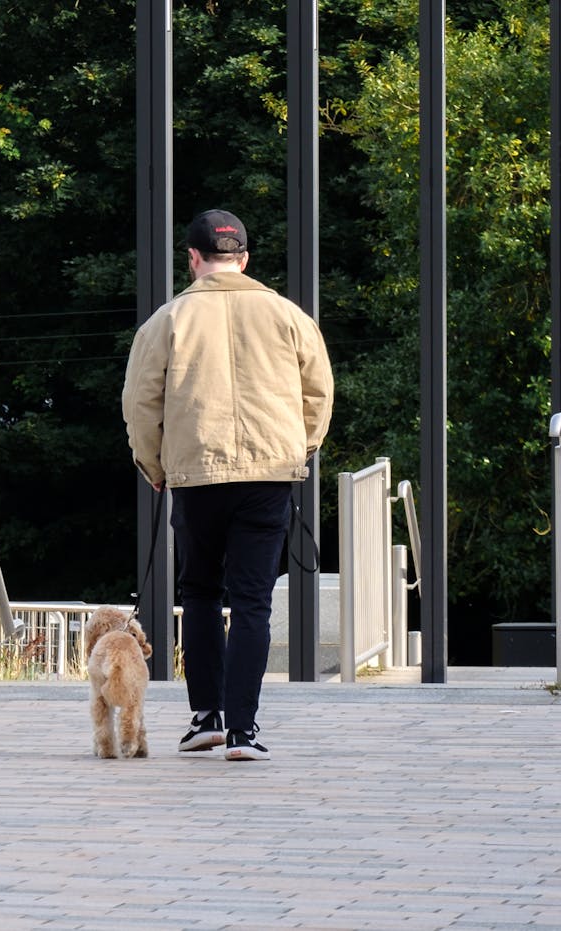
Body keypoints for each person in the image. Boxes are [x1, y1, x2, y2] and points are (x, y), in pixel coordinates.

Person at [122, 208, 334, 762]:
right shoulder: (290, 316)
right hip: (269, 474)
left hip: (194, 473)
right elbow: (319, 394)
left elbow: (141, 404)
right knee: (253, 603)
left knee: (198, 594)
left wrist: (154, 466)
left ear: (193, 258)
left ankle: (206, 718)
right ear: (244, 259)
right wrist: (300, 450)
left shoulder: (167, 320)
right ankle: (245, 730)